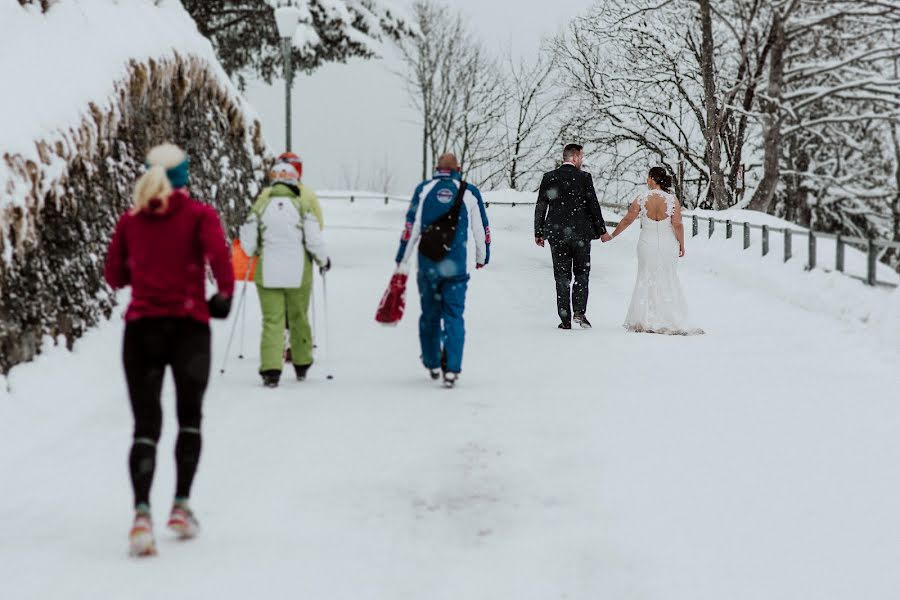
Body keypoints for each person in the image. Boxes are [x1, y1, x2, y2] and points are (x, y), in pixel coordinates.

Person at [104, 143, 234, 557]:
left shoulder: (131, 219)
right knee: (188, 419)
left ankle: (141, 514)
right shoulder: (199, 215)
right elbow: (221, 261)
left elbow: (114, 276)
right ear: (185, 177)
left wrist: (145, 268)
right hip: (188, 329)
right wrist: (223, 296)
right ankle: (180, 506)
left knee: (146, 425)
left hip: (141, 331)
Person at [395, 153, 490, 388]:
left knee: (430, 315)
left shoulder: (424, 189)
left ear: (437, 168)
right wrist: (482, 256)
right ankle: (453, 369)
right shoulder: (469, 192)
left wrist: (402, 260)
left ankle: (432, 362)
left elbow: (412, 227)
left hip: (428, 266)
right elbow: (481, 229)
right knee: (454, 316)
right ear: (457, 168)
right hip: (456, 267)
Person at [239, 162, 331, 387]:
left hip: (268, 272)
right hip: (299, 273)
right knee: (298, 317)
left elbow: (248, 242)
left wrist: (255, 250)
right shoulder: (302, 204)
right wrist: (323, 261)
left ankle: (271, 370)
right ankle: (302, 364)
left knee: (272, 320)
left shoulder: (261, 204)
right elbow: (313, 239)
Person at [609, 166, 703, 335]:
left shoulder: (641, 198)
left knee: (646, 277)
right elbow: (677, 224)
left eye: (648, 177)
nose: (647, 180)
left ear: (652, 178)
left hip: (647, 243)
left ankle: (645, 319)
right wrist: (682, 243)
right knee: (668, 277)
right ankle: (669, 317)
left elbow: (628, 219)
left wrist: (612, 235)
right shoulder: (672, 199)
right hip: (668, 244)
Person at [534, 143, 611, 329]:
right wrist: (602, 230)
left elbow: (541, 205)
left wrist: (539, 231)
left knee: (561, 276)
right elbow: (593, 205)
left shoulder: (549, 177)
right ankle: (579, 311)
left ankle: (565, 319)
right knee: (582, 273)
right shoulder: (584, 177)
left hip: (556, 234)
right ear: (575, 157)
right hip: (581, 235)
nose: (582, 161)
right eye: (581, 157)